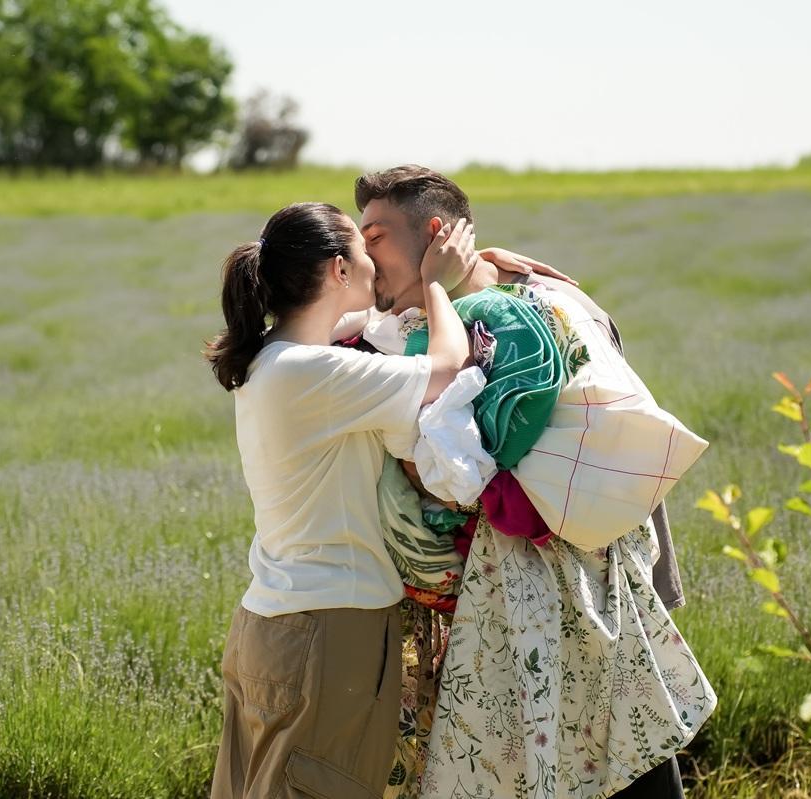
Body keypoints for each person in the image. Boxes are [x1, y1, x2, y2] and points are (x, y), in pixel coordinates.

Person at [353, 166, 715, 799]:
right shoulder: (408, 328)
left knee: (618, 757)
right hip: (502, 617)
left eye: (375, 237)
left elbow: (590, 449)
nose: (363, 256)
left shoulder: (538, 309)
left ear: (436, 236)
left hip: (582, 593)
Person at [204, 201, 479, 799]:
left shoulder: (273, 360)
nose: (374, 260)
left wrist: (483, 269)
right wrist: (437, 283)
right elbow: (448, 368)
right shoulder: (313, 372)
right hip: (330, 629)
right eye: (363, 246)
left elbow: (365, 323)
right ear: (338, 269)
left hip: (272, 625)